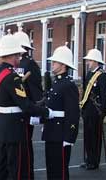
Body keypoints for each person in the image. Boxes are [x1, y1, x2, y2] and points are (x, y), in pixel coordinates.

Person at [0, 32, 54, 180]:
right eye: (18, 55)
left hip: (3, 126)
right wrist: (45, 112)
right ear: (11, 56)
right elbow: (25, 105)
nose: (19, 58)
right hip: (15, 128)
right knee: (17, 169)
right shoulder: (12, 77)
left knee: (4, 167)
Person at [42, 44, 80, 180]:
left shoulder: (68, 84)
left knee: (60, 171)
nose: (52, 64)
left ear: (63, 64)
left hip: (61, 133)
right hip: (51, 131)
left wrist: (69, 137)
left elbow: (73, 114)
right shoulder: (56, 82)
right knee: (51, 168)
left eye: (55, 61)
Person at [13, 28, 43, 179]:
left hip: (25, 110)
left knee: (25, 144)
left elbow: (36, 89)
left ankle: (27, 173)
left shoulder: (30, 64)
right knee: (19, 145)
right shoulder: (17, 62)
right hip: (17, 109)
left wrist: (34, 110)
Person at [79, 48, 106, 170]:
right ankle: (88, 159)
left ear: (96, 61)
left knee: (95, 137)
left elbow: (105, 96)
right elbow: (85, 92)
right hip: (88, 109)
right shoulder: (89, 74)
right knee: (87, 136)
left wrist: (103, 111)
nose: (88, 63)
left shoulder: (102, 76)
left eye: (90, 61)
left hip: (96, 111)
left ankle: (94, 161)